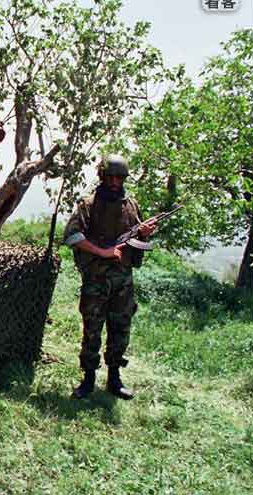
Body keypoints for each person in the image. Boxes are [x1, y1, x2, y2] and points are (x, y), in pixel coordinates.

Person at [62, 155, 157, 401]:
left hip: (123, 281)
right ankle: (88, 380)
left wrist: (144, 234)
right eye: (111, 177)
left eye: (120, 177)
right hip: (96, 279)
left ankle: (114, 378)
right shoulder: (88, 204)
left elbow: (137, 240)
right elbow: (72, 236)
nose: (115, 182)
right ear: (102, 176)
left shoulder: (131, 205)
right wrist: (102, 251)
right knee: (92, 329)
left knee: (121, 329)